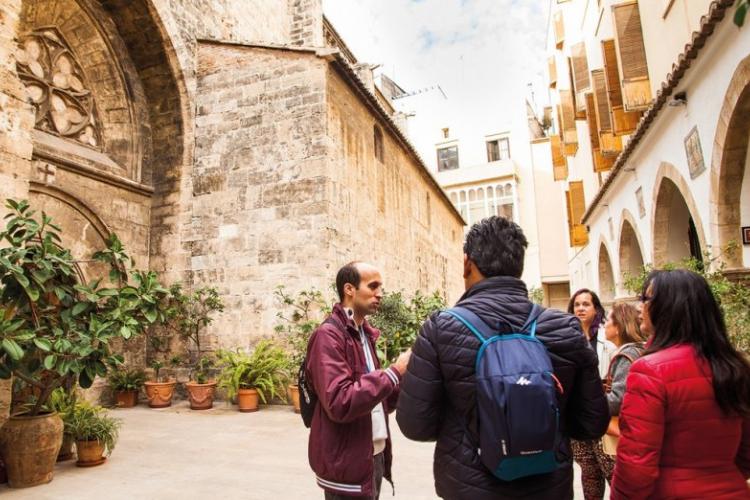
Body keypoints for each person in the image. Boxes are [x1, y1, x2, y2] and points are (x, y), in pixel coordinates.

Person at [396, 216, 609, 500]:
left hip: (468, 488)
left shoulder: (441, 328)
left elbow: (415, 424)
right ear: (519, 265)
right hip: (547, 487)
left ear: (467, 263)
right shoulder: (565, 327)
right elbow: (592, 423)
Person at [612, 269, 750, 499]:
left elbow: (636, 463)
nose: (639, 307)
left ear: (668, 307)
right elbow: (746, 451)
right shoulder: (735, 366)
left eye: (645, 299)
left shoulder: (649, 370)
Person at [306, 262, 411, 499]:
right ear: (349, 290)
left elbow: (378, 400)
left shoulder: (364, 334)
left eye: (380, 287)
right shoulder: (329, 336)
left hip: (372, 456)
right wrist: (393, 372)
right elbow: (340, 401)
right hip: (347, 466)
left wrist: (407, 377)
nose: (379, 294)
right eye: (372, 286)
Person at [567, 288, 616, 500]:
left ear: (596, 309)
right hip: (578, 420)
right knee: (588, 476)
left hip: (602, 419)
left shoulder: (608, 342)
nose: (580, 308)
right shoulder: (567, 339)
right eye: (577, 305)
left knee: (613, 473)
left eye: (586, 304)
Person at [596, 301, 646, 482]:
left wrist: (592, 402)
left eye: (608, 320)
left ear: (618, 327)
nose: (604, 325)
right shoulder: (642, 350)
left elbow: (618, 400)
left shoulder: (626, 356)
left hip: (626, 433)